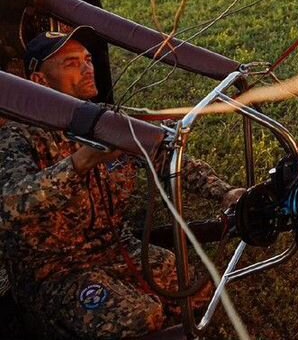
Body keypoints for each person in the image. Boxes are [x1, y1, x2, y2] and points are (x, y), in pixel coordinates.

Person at [0, 26, 245, 339]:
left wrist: (225, 192)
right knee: (141, 317)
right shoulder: (18, 137)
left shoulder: (108, 122)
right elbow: (9, 209)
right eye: (71, 63)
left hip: (116, 249)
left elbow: (167, 158)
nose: (88, 68)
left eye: (88, 59)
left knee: (198, 293)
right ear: (39, 82)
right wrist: (77, 164)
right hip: (55, 270)